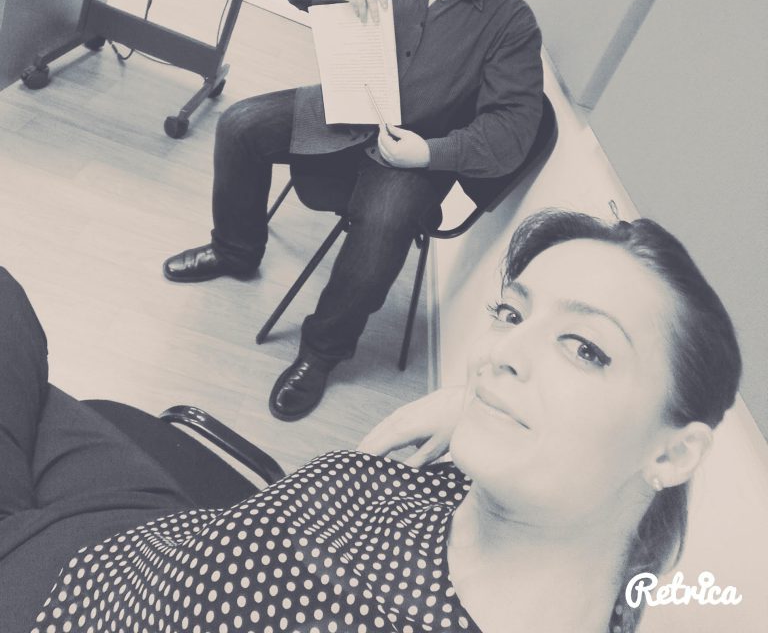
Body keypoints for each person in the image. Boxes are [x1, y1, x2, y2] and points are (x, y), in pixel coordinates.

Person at [8, 209, 740, 633]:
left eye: (586, 349)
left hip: (55, 599)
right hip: (143, 536)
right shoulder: (574, 537)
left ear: (674, 455)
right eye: (511, 314)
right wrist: (473, 408)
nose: (500, 355)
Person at [162, 0, 544, 421]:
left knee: (386, 220)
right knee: (239, 124)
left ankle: (321, 352)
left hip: (414, 151)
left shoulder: (513, 22)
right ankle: (236, 250)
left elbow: (511, 133)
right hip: (341, 112)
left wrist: (428, 153)